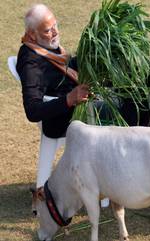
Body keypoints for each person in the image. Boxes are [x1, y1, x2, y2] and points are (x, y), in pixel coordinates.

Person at [16, 4, 89, 187]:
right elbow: (32, 111)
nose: (55, 32)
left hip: (74, 107)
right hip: (59, 121)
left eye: (55, 25)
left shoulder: (46, 46)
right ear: (32, 34)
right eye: (48, 30)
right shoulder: (31, 63)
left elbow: (62, 70)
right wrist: (70, 99)